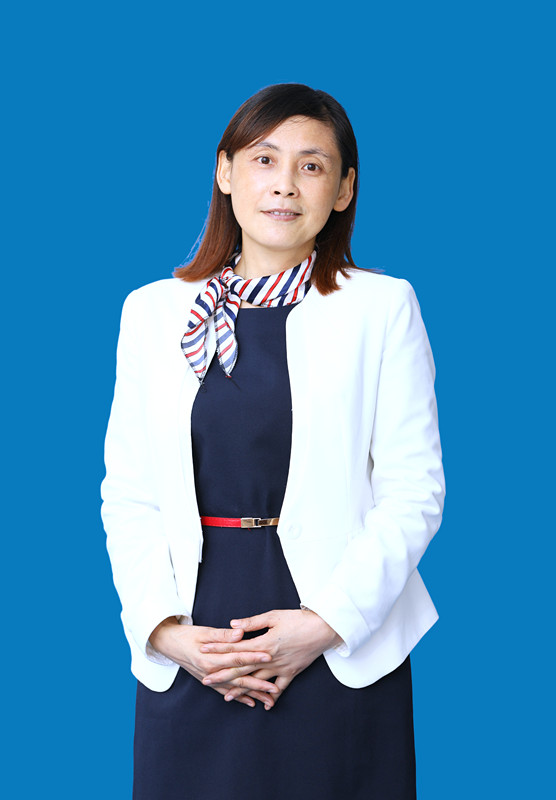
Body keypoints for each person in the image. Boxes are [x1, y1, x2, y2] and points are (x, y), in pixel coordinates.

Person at [101, 82, 445, 800]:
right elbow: (129, 493)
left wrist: (323, 625)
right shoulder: (154, 313)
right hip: (196, 639)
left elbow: (414, 493)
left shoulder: (382, 308)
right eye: (264, 159)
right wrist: (165, 632)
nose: (285, 184)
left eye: (312, 166)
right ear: (225, 172)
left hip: (339, 637)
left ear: (343, 190)